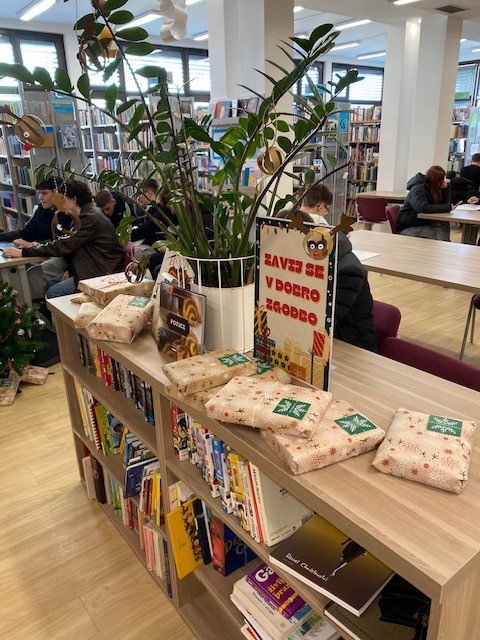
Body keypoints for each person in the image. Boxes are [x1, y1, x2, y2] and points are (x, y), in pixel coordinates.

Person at [278, 190, 378, 353]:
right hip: (317, 340)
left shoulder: (347, 272)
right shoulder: (305, 261)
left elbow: (322, 323)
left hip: (350, 345)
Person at [3, 181, 125, 298]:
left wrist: (23, 252)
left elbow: (63, 245)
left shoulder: (88, 219)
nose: (59, 203)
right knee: (50, 285)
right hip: (93, 268)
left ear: (73, 199)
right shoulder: (82, 216)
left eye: (63, 199)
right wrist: (70, 270)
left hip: (101, 274)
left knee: (53, 292)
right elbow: (74, 247)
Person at [397, 166, 454, 240]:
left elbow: (445, 203)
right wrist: (447, 207)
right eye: (442, 179)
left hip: (421, 222)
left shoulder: (432, 187)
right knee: (436, 235)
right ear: (436, 180)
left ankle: (444, 243)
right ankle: (443, 244)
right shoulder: (418, 188)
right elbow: (422, 207)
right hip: (408, 226)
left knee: (443, 223)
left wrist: (447, 188)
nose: (443, 181)